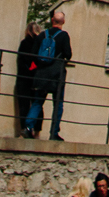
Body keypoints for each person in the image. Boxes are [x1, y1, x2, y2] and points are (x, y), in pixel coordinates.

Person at [23, 9, 72, 141]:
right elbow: (68, 54)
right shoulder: (64, 36)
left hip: (41, 73)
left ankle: (28, 127)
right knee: (58, 104)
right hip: (57, 74)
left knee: (38, 102)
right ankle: (54, 133)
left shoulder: (42, 35)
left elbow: (33, 53)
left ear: (52, 21)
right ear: (63, 22)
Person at [15, 22, 43, 135]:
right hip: (36, 78)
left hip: (24, 78)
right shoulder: (41, 44)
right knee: (37, 105)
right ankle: (37, 132)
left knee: (24, 105)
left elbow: (22, 61)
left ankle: (24, 129)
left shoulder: (25, 43)